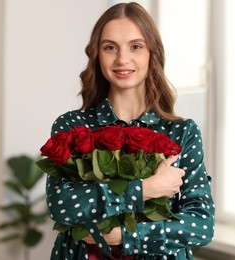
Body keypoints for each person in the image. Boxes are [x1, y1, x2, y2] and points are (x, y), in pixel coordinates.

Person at [45, 2, 215, 259]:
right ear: (97, 55)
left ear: (151, 53)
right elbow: (62, 206)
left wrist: (126, 236)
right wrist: (145, 188)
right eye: (110, 47)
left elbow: (201, 225)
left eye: (135, 46)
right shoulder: (73, 127)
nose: (122, 59)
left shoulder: (182, 132)